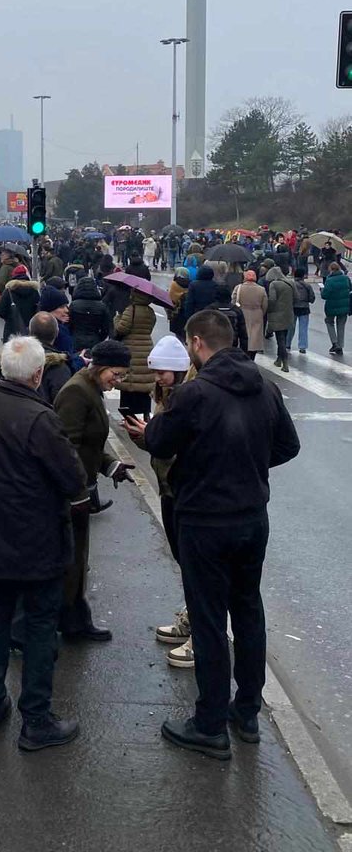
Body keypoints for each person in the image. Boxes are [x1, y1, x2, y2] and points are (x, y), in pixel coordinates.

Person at [141, 310, 300, 760]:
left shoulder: (195, 393)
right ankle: (246, 712)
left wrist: (149, 431)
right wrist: (246, 466)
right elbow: (288, 446)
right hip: (252, 517)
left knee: (209, 619)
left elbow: (160, 443)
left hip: (205, 519)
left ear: (196, 344)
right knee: (248, 610)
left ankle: (209, 724)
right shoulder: (265, 387)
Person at [0, 335, 86, 751]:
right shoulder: (40, 417)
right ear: (37, 374)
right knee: (39, 626)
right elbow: (72, 480)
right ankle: (37, 718)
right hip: (36, 541)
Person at [53, 341, 135, 641]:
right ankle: (53, 625)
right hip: (71, 493)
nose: (119, 381)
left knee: (76, 560)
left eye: (123, 375)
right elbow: (66, 446)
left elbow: (89, 445)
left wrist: (112, 465)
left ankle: (74, 619)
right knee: (69, 561)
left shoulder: (91, 389)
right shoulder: (77, 392)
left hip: (80, 489)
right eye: (116, 373)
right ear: (100, 367)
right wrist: (76, 494)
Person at [123, 335, 194, 668]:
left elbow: (179, 445)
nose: (157, 378)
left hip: (184, 489)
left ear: (179, 371)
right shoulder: (163, 395)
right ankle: (193, 619)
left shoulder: (187, 398)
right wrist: (147, 436)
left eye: (163, 372)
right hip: (168, 486)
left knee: (196, 566)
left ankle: (200, 635)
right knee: (184, 560)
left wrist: (149, 436)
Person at [114, 288, 156, 418]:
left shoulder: (130, 310)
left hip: (131, 347)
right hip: (147, 347)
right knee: (144, 381)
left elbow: (122, 328)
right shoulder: (150, 311)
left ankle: (128, 413)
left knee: (129, 380)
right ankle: (145, 413)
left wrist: (117, 318)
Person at [28, 312, 72, 404]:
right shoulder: (59, 367)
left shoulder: (16, 362)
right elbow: (63, 403)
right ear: (57, 333)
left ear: (30, 332)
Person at [0, 264, 40, 342]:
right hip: (29, 331)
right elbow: (38, 310)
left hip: (11, 330)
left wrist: (9, 317)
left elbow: (0, 311)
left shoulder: (9, 291)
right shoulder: (34, 291)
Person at [231, 270, 268, 360]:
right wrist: (260, 312)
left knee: (244, 335)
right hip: (257, 314)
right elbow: (265, 304)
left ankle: (243, 354)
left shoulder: (239, 287)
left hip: (242, 313)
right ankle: (252, 356)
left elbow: (233, 301)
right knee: (255, 337)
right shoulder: (261, 289)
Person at [68, 275, 110, 352]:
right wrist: (99, 338)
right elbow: (106, 328)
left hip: (76, 339)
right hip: (94, 339)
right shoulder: (101, 306)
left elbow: (69, 323)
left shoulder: (74, 305)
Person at [265, 265, 294, 372]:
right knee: (284, 337)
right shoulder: (291, 282)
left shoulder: (274, 284)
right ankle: (279, 359)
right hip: (288, 314)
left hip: (277, 314)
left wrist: (268, 310)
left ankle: (285, 363)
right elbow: (296, 297)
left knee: (280, 339)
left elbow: (272, 299)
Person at [321, 261, 352, 355]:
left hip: (331, 307)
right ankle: (340, 345)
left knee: (329, 322)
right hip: (344, 306)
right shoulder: (346, 278)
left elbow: (324, 295)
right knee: (341, 325)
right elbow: (350, 289)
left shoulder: (329, 280)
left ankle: (334, 343)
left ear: (331, 270)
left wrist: (322, 290)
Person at [287, 267, 314, 354]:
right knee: (303, 328)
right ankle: (302, 346)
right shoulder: (308, 286)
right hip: (304, 308)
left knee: (290, 327)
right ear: (303, 276)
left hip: (293, 308)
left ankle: (287, 344)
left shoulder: (291, 285)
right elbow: (312, 298)